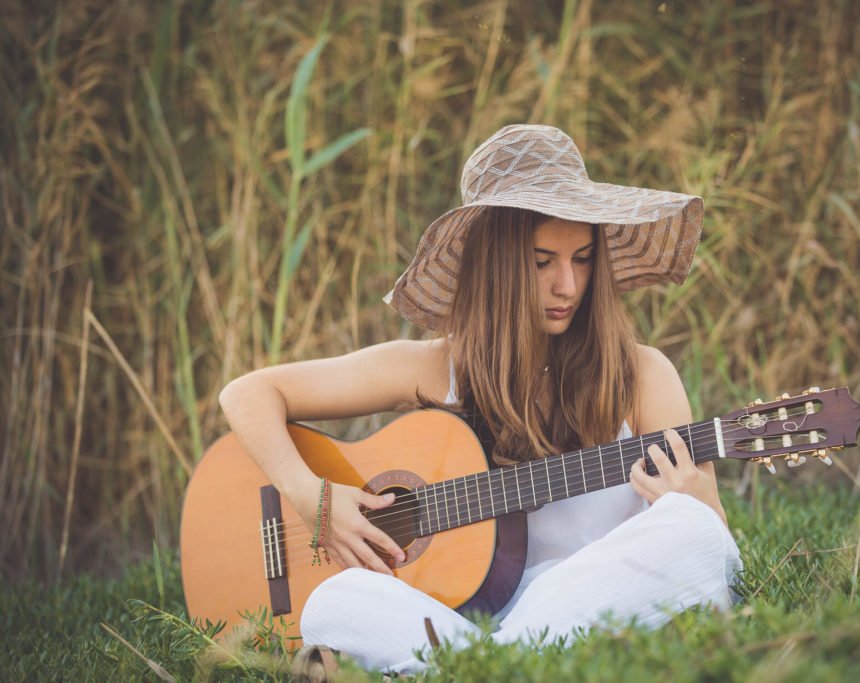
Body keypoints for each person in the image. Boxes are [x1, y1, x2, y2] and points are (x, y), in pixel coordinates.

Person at [218, 124, 743, 674]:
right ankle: (509, 664)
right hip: (463, 620)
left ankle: (487, 667)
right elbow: (249, 393)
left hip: (598, 597)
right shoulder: (432, 368)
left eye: (583, 258)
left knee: (692, 531)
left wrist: (695, 500)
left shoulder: (641, 375)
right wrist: (314, 501)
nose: (567, 285)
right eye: (542, 262)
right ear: (495, 266)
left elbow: (714, 552)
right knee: (332, 600)